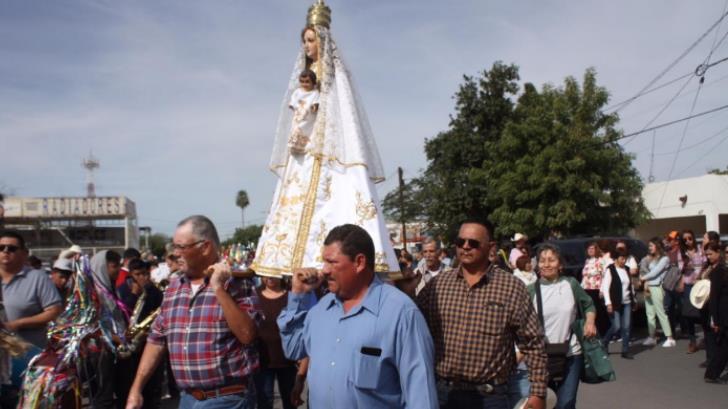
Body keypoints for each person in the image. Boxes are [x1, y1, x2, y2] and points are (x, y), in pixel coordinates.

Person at [252, 5, 399, 279]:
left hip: (329, 148)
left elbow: (343, 115)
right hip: (303, 151)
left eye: (311, 40)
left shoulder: (335, 76)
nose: (307, 46)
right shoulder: (302, 81)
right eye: (304, 41)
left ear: (322, 41)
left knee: (333, 201)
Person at [278, 223, 438, 408]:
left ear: (359, 262)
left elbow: (421, 394)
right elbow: (293, 349)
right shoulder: (321, 310)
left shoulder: (400, 313)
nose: (324, 270)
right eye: (324, 262)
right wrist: (298, 296)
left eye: (332, 262)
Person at [404, 219, 547, 409]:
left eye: (473, 243)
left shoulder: (511, 288)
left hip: (490, 397)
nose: (465, 247)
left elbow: (533, 343)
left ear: (490, 247)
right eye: (460, 242)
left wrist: (538, 393)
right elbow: (412, 326)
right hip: (444, 394)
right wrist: (405, 293)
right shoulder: (438, 285)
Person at [125, 215, 261, 409]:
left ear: (204, 247)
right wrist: (136, 389)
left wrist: (218, 289)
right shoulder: (174, 286)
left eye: (181, 247)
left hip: (227, 399)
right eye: (174, 247)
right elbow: (157, 339)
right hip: (188, 399)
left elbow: (248, 335)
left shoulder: (237, 283)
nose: (175, 254)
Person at [527, 244, 597, 409]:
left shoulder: (571, 284)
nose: (546, 264)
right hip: (541, 357)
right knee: (546, 403)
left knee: (566, 402)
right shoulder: (530, 291)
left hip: (572, 352)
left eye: (551, 260)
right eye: (542, 261)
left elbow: (589, 304)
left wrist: (590, 321)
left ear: (560, 264)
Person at [0, 230, 63, 349]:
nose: (5, 251)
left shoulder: (38, 278)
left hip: (28, 354)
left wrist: (18, 324)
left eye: (12, 248)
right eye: (1, 247)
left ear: (24, 253)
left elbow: (54, 311)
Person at [116, 258, 164, 409]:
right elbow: (121, 316)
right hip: (128, 345)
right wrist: (133, 295)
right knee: (126, 385)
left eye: (145, 273)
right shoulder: (123, 290)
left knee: (150, 386)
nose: (142, 277)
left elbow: (160, 315)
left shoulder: (154, 291)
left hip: (147, 342)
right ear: (130, 275)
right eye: (138, 274)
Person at [254, 277, 299, 409]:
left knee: (290, 400)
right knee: (264, 401)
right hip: (262, 360)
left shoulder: (291, 296)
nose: (270, 277)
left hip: (288, 360)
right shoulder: (254, 295)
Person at [640, 237, 676, 347]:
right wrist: (646, 282)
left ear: (657, 246)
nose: (649, 248)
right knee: (650, 313)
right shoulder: (653, 259)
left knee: (661, 313)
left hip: (657, 287)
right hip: (649, 287)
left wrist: (643, 279)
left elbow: (655, 273)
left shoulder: (664, 259)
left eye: (651, 245)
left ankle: (669, 337)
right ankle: (652, 336)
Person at [600, 249, 635, 359]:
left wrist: (634, 299)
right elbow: (605, 287)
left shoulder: (627, 269)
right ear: (616, 259)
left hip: (627, 302)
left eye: (625, 258)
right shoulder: (610, 270)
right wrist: (608, 303)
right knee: (616, 326)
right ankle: (604, 342)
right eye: (622, 258)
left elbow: (630, 286)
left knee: (626, 327)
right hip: (614, 303)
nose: (624, 260)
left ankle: (625, 350)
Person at [676, 230, 706, 353]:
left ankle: (706, 337)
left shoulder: (700, 249)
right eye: (685, 240)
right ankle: (692, 341)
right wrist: (686, 265)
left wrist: (700, 275)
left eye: (690, 238)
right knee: (689, 313)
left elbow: (705, 263)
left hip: (700, 283)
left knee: (702, 310)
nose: (688, 241)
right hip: (688, 283)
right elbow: (680, 269)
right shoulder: (682, 253)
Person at [705, 241, 728, 383]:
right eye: (727, 252)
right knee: (724, 346)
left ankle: (712, 373)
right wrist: (715, 319)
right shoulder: (719, 271)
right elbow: (714, 298)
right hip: (724, 314)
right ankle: (712, 374)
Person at [580, 242, 609, 335]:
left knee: (597, 310)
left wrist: (602, 289)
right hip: (586, 288)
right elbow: (585, 277)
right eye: (589, 249)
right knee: (588, 310)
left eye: (592, 249)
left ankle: (601, 331)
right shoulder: (587, 261)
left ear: (596, 250)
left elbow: (604, 276)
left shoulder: (600, 261)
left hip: (595, 288)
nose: (590, 250)